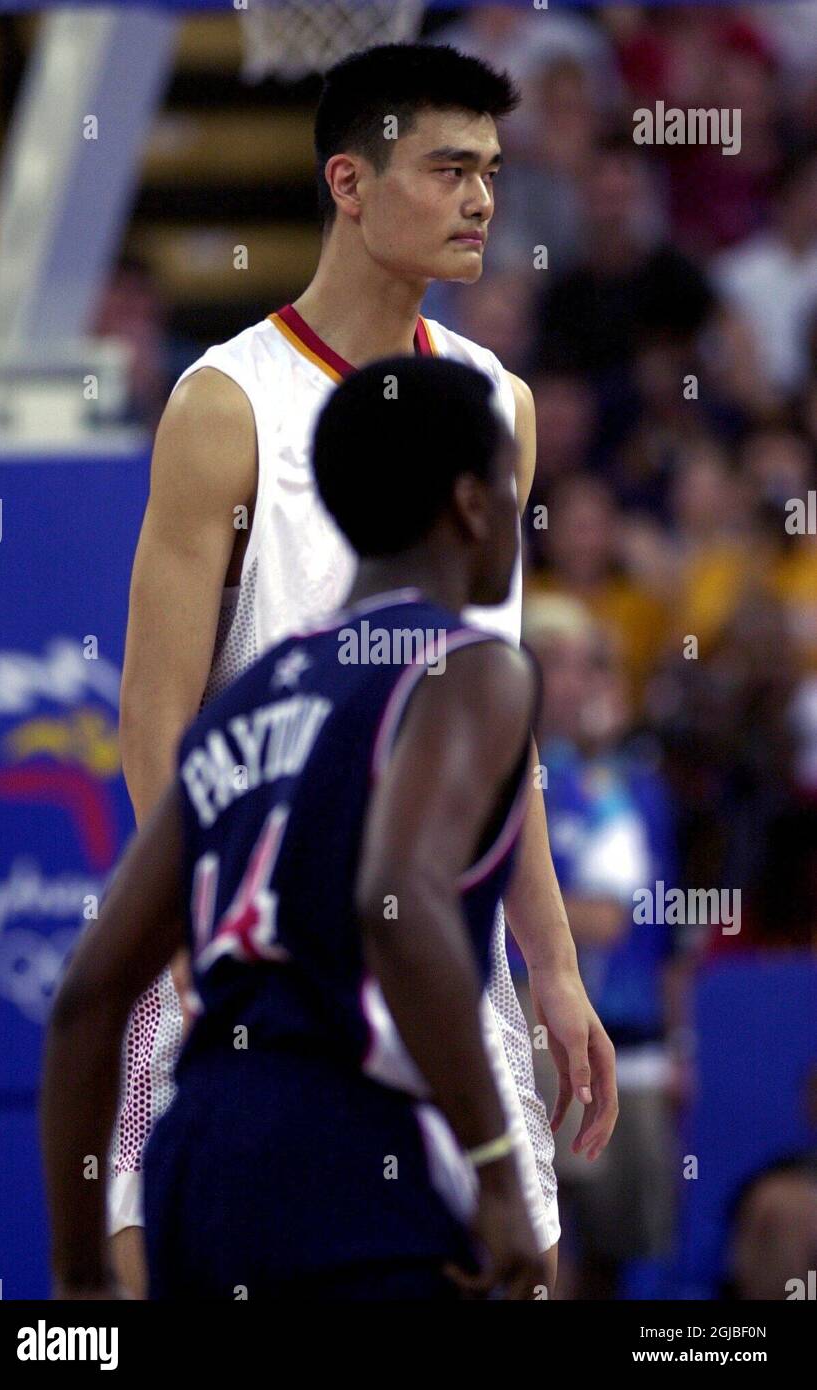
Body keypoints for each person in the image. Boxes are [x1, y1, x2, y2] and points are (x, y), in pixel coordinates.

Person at [114, 41, 617, 1296]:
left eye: (491, 171)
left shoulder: (497, 403)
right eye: (448, 168)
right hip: (254, 943)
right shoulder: (224, 403)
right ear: (349, 180)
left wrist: (550, 961)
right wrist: (192, 950)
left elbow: (502, 728)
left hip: (444, 954)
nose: (482, 199)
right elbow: (154, 718)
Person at [43, 357, 547, 1300]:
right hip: (350, 1153)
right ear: (476, 505)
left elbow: (86, 999)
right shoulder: (467, 668)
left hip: (199, 1157)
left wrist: (78, 1274)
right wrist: (495, 1166)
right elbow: (397, 905)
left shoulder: (245, 702)